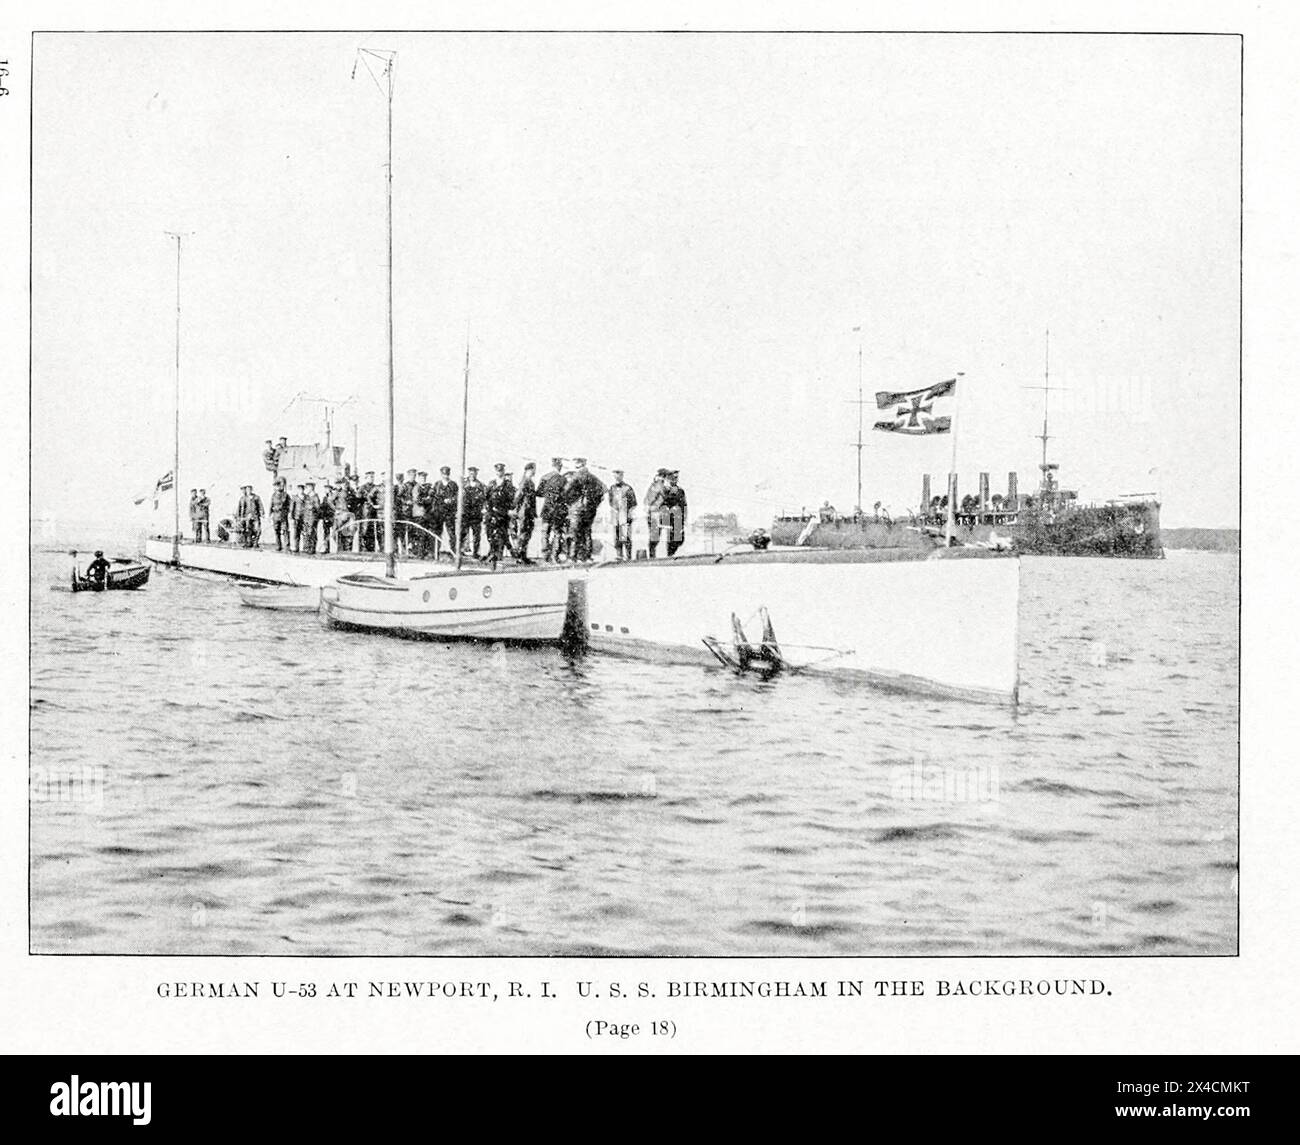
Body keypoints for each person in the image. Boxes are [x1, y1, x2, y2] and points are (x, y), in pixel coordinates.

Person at [565, 457, 606, 562]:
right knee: (587, 532)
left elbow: (565, 491)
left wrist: (569, 502)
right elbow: (604, 489)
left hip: (577, 509)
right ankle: (586, 556)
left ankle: (573, 556)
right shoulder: (593, 477)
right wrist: (595, 504)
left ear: (578, 465)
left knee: (574, 533)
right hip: (590, 510)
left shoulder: (576, 476)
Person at [483, 463, 516, 566]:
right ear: (495, 472)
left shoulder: (508, 484)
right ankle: (492, 552)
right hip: (492, 512)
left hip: (503, 513)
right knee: (490, 533)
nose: (499, 473)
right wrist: (485, 508)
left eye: (501, 471)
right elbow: (486, 497)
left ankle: (497, 555)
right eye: (498, 471)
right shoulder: (491, 483)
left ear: (503, 472)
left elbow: (512, 499)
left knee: (502, 534)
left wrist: (510, 510)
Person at [536, 457, 567, 561]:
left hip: (547, 508)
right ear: (560, 466)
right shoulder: (563, 479)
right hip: (558, 510)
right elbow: (567, 495)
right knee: (557, 533)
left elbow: (539, 493)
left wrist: (548, 495)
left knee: (545, 532)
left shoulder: (545, 477)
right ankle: (554, 556)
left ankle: (545, 555)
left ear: (552, 465)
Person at [607, 469, 638, 560]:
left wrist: (628, 514)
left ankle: (628, 556)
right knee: (616, 537)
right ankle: (619, 555)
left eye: (619, 475)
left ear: (622, 476)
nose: (617, 477)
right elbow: (610, 502)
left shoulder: (628, 488)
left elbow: (633, 503)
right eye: (615, 475)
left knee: (625, 537)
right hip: (615, 516)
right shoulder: (612, 488)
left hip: (625, 515)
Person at [512, 461, 538, 563]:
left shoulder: (529, 482)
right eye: (533, 470)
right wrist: (513, 507)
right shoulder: (525, 481)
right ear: (529, 470)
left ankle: (523, 555)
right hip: (525, 511)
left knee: (527, 534)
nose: (534, 472)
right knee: (524, 534)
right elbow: (518, 496)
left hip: (528, 511)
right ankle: (519, 556)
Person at [430, 466, 458, 559]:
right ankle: (435, 553)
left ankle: (453, 553)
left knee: (451, 533)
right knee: (437, 532)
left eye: (447, 474)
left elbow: (458, 496)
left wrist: (451, 500)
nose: (445, 476)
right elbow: (432, 495)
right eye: (443, 474)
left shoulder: (453, 484)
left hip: (449, 512)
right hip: (439, 512)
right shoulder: (437, 484)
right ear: (441, 474)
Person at [660, 470, 687, 556]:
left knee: (680, 539)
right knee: (671, 538)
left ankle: (672, 553)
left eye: (676, 478)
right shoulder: (665, 490)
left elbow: (684, 504)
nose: (675, 480)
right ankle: (670, 554)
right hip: (669, 518)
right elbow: (662, 504)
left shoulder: (680, 491)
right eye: (673, 478)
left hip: (679, 518)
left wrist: (684, 517)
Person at [461, 466, 486, 559]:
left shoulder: (480, 485)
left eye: (474, 473)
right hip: (466, 512)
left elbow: (484, 498)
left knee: (476, 534)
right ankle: (462, 550)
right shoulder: (463, 484)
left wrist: (483, 508)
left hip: (476, 513)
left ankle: (475, 552)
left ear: (476, 474)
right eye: (471, 473)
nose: (472, 475)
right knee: (463, 533)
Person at [644, 469, 667, 557]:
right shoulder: (657, 486)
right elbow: (649, 500)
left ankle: (653, 554)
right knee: (655, 535)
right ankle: (652, 555)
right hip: (655, 513)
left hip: (658, 513)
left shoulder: (658, 486)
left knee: (656, 535)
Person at [410, 470, 431, 558]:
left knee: (425, 534)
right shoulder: (416, 488)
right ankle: (419, 553)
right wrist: (427, 499)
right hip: (418, 514)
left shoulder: (425, 488)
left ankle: (423, 552)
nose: (423, 479)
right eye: (422, 478)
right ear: (419, 478)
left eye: (424, 478)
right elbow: (417, 500)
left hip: (425, 514)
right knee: (420, 534)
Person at [269, 478, 292, 552]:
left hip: (283, 515)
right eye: (276, 486)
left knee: (285, 531)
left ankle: (287, 547)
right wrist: (269, 515)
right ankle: (278, 546)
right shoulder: (273, 495)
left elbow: (290, 505)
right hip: (275, 516)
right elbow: (271, 505)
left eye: (278, 485)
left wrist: (288, 513)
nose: (277, 487)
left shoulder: (286, 495)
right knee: (276, 531)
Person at [357, 471, 377, 551]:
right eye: (370, 477)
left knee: (372, 529)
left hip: (374, 510)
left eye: (373, 477)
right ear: (366, 478)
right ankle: (363, 547)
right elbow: (358, 497)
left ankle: (371, 548)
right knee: (364, 529)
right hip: (365, 510)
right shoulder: (362, 487)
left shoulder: (376, 487)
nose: (372, 479)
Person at [301, 482, 321, 555]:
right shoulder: (307, 497)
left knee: (311, 533)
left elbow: (318, 508)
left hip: (312, 517)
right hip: (306, 517)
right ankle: (306, 548)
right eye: (307, 487)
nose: (307, 489)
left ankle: (312, 549)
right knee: (306, 533)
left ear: (312, 488)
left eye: (308, 487)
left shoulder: (315, 497)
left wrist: (312, 508)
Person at [317, 479, 335, 554]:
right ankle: (326, 548)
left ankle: (334, 549)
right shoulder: (324, 498)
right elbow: (322, 508)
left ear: (330, 489)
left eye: (327, 489)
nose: (326, 490)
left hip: (333, 517)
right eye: (325, 489)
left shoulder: (333, 497)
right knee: (325, 533)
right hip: (326, 518)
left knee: (334, 533)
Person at [247, 485, 265, 549]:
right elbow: (241, 507)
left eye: (249, 490)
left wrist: (262, 513)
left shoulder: (256, 497)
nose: (248, 491)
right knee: (248, 530)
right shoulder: (245, 498)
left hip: (255, 516)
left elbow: (260, 506)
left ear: (252, 490)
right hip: (247, 517)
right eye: (247, 490)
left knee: (257, 530)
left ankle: (255, 543)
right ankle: (249, 543)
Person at [290, 484, 307, 552]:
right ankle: (296, 547)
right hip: (297, 517)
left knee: (305, 533)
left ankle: (305, 548)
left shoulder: (306, 497)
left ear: (303, 490)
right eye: (299, 489)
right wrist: (292, 518)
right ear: (297, 490)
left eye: (302, 489)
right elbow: (292, 508)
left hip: (305, 518)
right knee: (296, 533)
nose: (301, 491)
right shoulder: (294, 498)